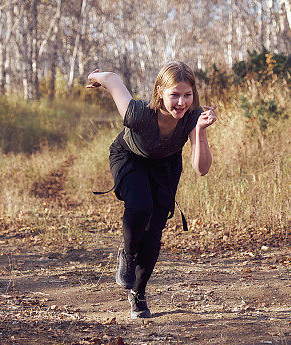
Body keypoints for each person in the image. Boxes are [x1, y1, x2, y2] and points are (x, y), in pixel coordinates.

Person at [87, 61, 217, 318]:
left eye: (187, 95)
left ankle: (138, 294)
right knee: (140, 206)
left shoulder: (193, 116)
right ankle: (127, 252)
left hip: (165, 167)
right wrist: (95, 76)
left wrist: (200, 131)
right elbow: (113, 79)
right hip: (130, 157)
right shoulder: (137, 113)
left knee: (154, 232)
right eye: (174, 95)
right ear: (159, 92)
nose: (181, 102)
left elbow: (201, 169)